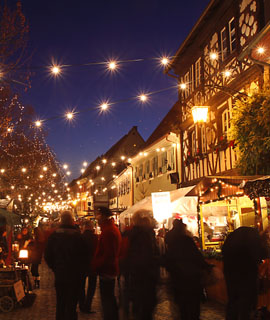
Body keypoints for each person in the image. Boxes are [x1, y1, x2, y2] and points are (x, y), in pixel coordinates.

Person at [44, 211, 88, 320]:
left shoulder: (54, 236)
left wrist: (55, 267)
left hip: (60, 274)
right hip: (75, 275)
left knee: (61, 303)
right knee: (72, 304)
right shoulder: (78, 236)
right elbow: (85, 256)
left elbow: (47, 255)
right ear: (72, 221)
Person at [164, 218, 208, 320]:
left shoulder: (172, 242)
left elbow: (168, 260)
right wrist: (206, 266)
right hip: (192, 278)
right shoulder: (188, 241)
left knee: (183, 307)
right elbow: (197, 257)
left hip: (179, 278)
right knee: (194, 306)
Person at [222, 226, 267, 320]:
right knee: (246, 303)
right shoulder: (252, 238)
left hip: (231, 274)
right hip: (247, 276)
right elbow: (259, 255)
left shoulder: (234, 238)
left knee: (233, 301)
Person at [122, 210, 159, 320]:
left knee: (141, 305)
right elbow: (144, 257)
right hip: (143, 275)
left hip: (136, 274)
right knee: (145, 305)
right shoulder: (143, 235)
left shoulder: (133, 234)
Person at [92, 206, 122, 320]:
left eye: (98, 215)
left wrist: (96, 265)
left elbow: (108, 255)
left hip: (107, 270)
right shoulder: (109, 229)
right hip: (107, 269)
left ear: (103, 216)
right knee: (108, 299)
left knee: (107, 300)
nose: (96, 218)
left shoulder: (109, 231)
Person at [79, 219, 98, 314]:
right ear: (91, 227)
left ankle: (82, 304)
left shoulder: (80, 237)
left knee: (81, 286)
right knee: (92, 286)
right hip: (93, 265)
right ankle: (88, 305)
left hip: (82, 265)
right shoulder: (95, 238)